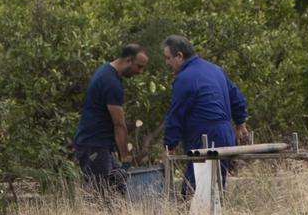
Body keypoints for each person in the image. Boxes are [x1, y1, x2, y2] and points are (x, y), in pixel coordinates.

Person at [161, 35, 251, 195]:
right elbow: (237, 97)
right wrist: (240, 124)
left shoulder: (184, 78)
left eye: (168, 58)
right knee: (216, 189)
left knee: (194, 193)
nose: (167, 63)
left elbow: (175, 114)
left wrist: (170, 146)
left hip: (204, 138)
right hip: (225, 135)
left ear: (180, 56)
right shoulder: (215, 69)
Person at [73, 43, 149, 197]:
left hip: (101, 146)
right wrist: (125, 156)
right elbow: (119, 124)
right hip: (94, 145)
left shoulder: (106, 72)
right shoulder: (111, 82)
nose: (140, 72)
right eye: (139, 67)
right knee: (100, 197)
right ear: (128, 60)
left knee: (118, 192)